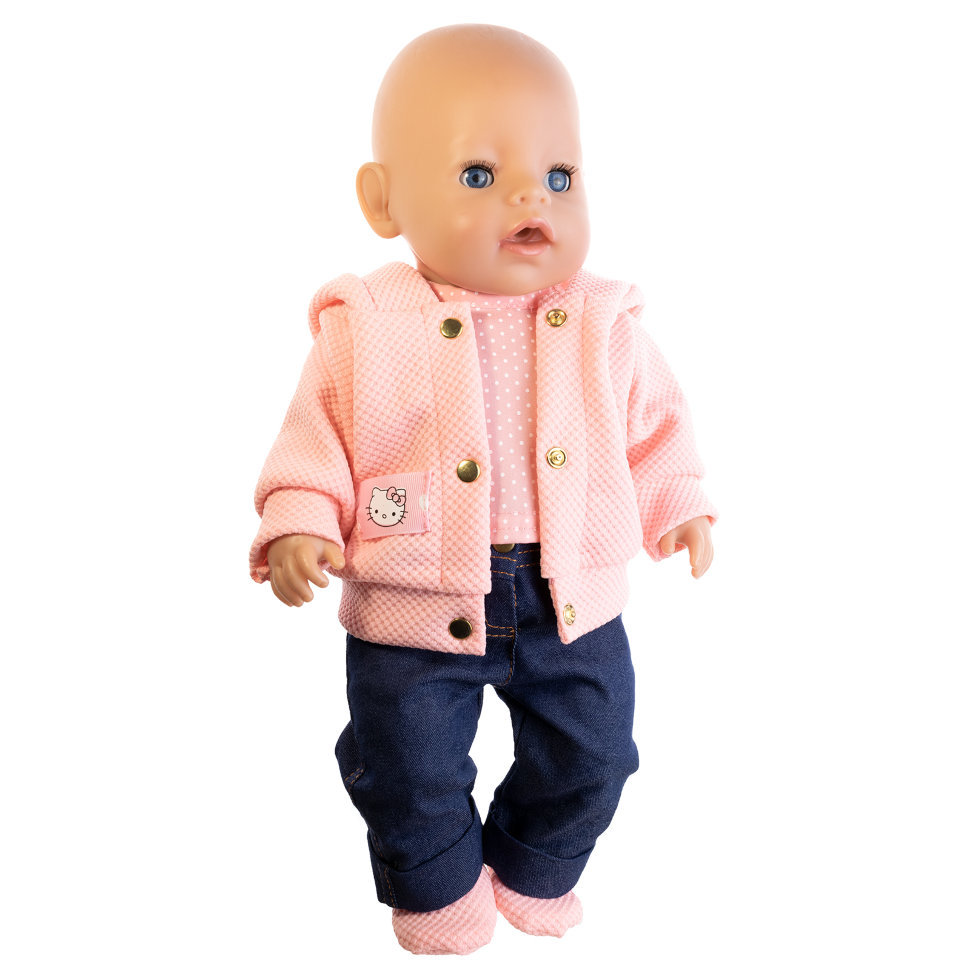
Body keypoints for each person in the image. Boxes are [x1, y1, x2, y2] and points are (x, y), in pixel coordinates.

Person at [250, 24, 716, 956]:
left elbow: (657, 425)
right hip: (411, 606)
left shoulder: (604, 322)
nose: (530, 197)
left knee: (597, 752)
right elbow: (314, 441)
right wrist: (299, 521)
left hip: (571, 600)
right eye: (478, 175)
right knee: (407, 766)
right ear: (383, 202)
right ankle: (432, 886)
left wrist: (681, 503)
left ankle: (535, 862)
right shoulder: (365, 326)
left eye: (559, 175)